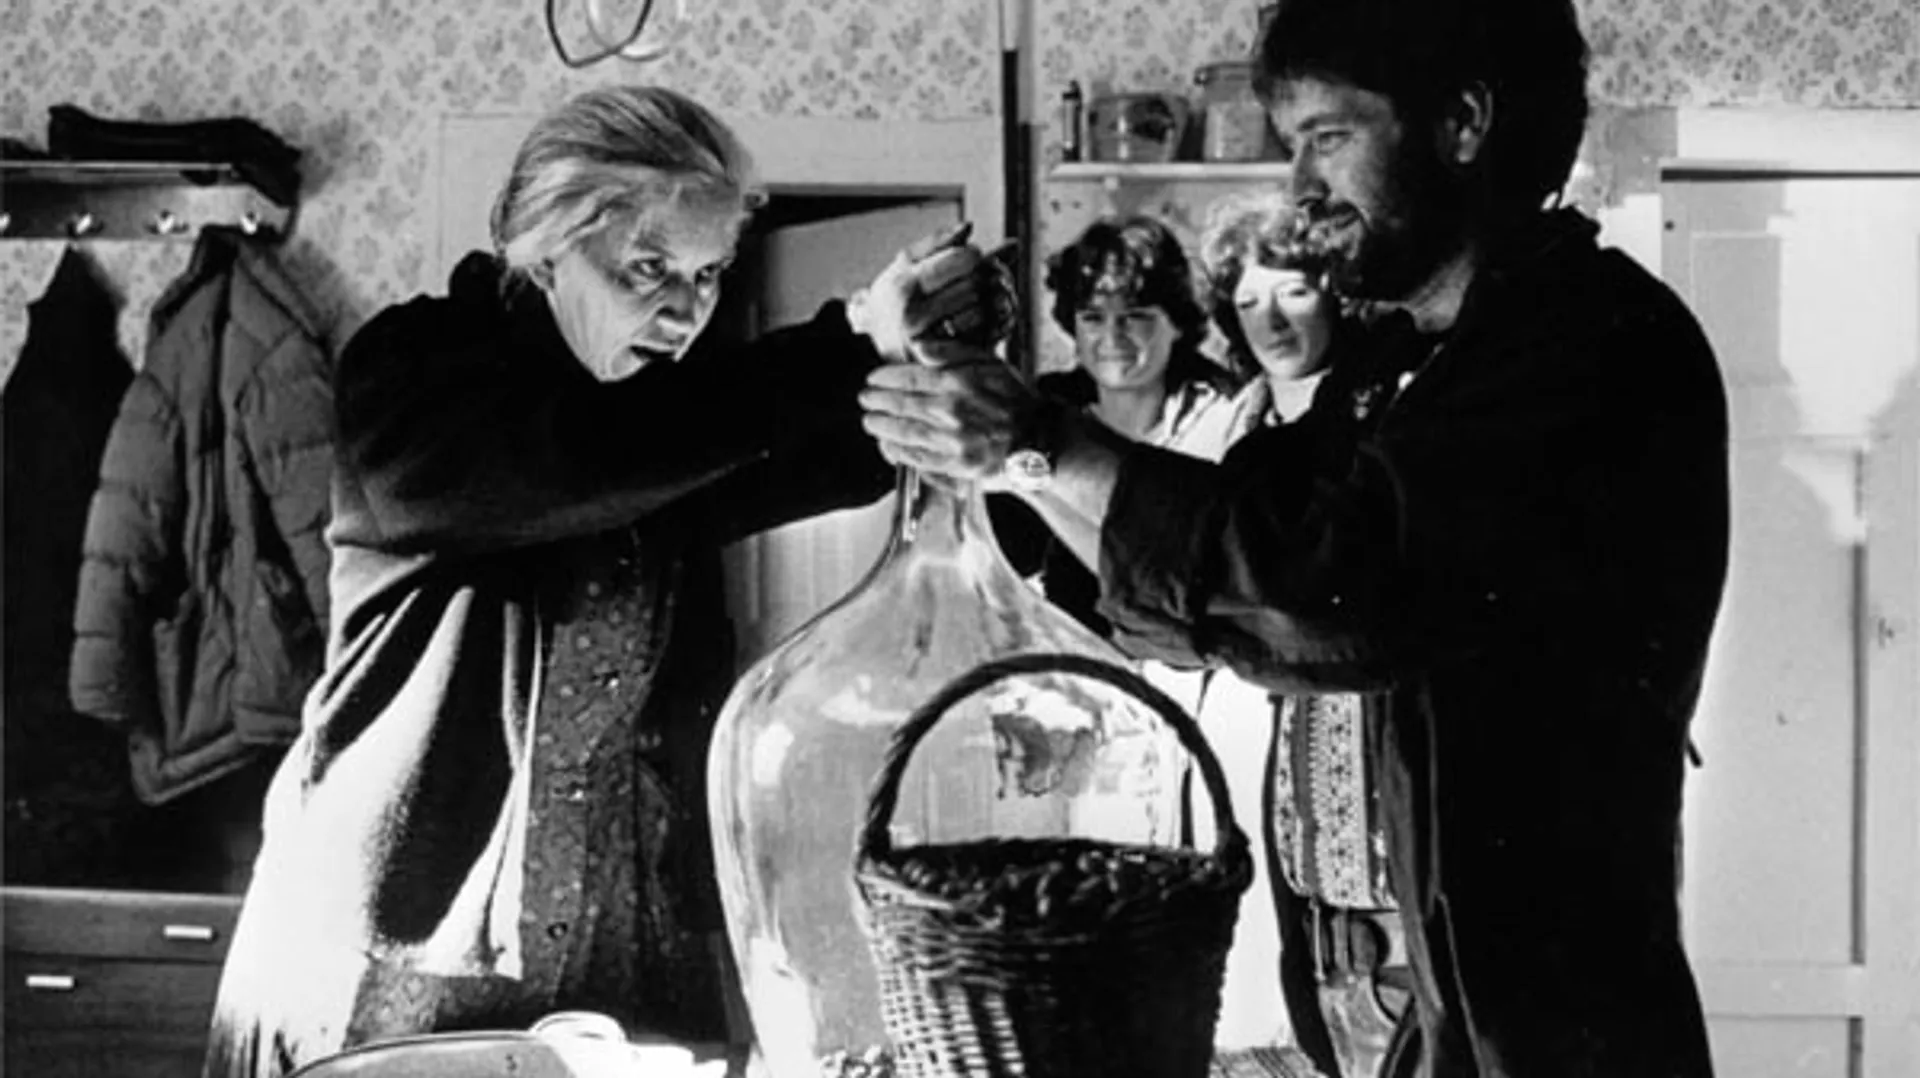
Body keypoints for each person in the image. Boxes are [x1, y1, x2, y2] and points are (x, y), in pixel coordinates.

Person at [860, 0, 1731, 1074]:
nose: (1303, 186)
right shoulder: (1400, 354)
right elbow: (1213, 566)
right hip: (1406, 997)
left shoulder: (1590, 341)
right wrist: (1013, 454)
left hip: (1549, 1020)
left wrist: (1045, 438)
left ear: (1463, 122)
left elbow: (1319, 588)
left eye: (1329, 135)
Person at [203, 85, 1003, 1077]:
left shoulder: (658, 416)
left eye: (707, 275)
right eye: (648, 268)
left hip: (609, 933)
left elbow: (813, 453)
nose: (687, 310)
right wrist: (849, 338)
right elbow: (589, 454)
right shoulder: (413, 375)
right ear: (544, 248)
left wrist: (963, 383)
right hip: (403, 933)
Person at [1178, 190, 1409, 1078]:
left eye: (1294, 293)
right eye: (1247, 301)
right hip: (1286, 866)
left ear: (1337, 296)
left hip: (1382, 884)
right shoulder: (1220, 433)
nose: (1270, 321)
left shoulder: (1384, 426)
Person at [991, 215, 1237, 634]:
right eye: (1092, 317)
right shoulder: (1039, 414)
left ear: (1176, 324)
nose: (1112, 336)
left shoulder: (1227, 413)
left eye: (1134, 315)